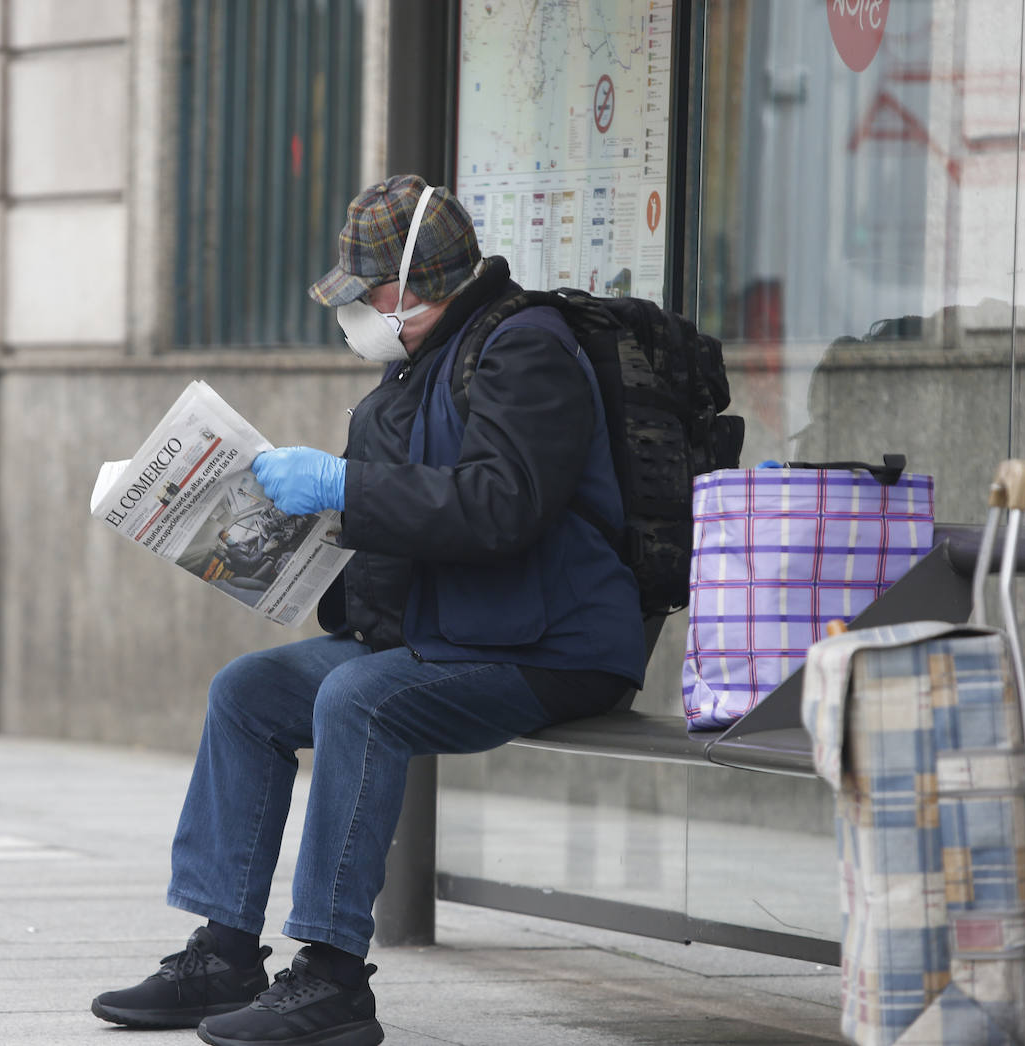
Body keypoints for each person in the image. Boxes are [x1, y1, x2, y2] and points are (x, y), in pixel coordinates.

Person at [90, 174, 646, 1046]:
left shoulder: (524, 349)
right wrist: (284, 550)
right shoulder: (413, 367)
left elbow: (503, 505)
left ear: (421, 282)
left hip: (550, 645)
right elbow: (396, 520)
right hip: (447, 630)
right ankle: (225, 952)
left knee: (359, 701)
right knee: (248, 693)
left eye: (367, 291)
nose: (354, 309)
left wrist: (343, 483)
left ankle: (334, 977)